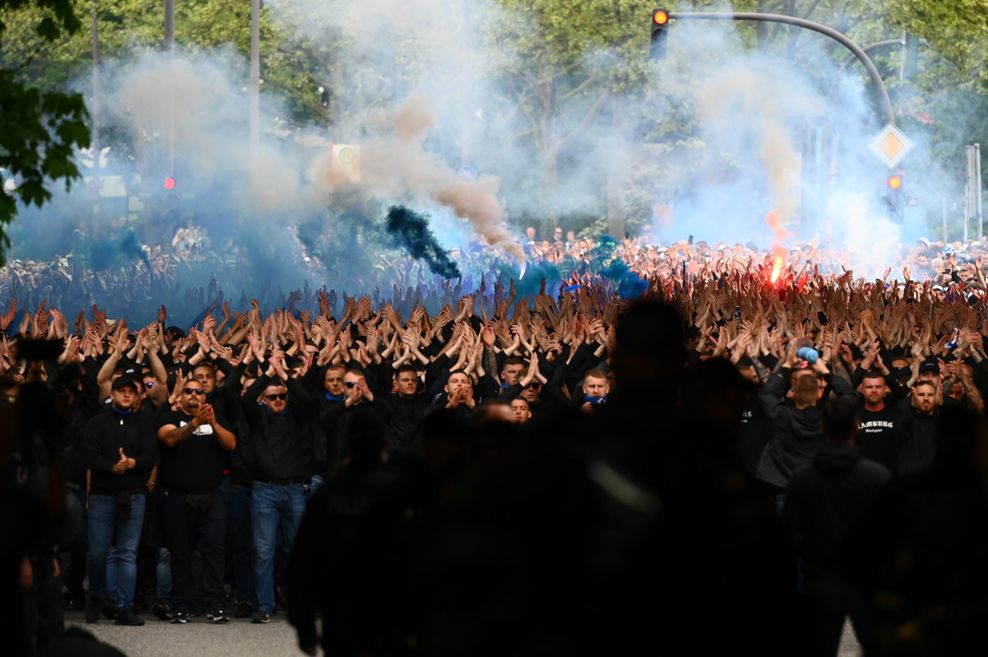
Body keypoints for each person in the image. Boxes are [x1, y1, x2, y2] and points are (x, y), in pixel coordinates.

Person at [782, 397, 890, 657]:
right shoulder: (877, 476)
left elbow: (789, 534)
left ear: (823, 428)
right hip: (866, 576)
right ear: (856, 426)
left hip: (820, 574)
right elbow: (890, 533)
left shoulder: (803, 477)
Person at [241, 353, 316, 623]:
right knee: (263, 552)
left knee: (297, 551)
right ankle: (265, 605)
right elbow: (246, 399)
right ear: (264, 399)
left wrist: (284, 376)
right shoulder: (256, 417)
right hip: (265, 491)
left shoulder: (296, 415)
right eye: (272, 397)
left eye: (282, 396)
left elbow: (307, 399)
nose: (277, 401)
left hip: (295, 489)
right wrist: (265, 375)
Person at [155, 378, 237, 624]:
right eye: (188, 391)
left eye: (198, 392)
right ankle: (181, 605)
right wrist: (194, 423)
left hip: (211, 497)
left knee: (214, 552)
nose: (193, 395)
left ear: (205, 396)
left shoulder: (215, 418)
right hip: (178, 498)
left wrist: (212, 423)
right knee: (180, 553)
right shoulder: (168, 418)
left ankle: (215, 604)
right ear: (180, 397)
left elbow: (231, 444)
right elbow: (169, 439)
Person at [82, 376, 156, 626]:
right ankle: (96, 597)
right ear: (112, 393)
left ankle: (125, 606)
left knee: (127, 553)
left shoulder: (144, 423)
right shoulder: (97, 422)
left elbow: (150, 455)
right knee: (98, 552)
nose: (126, 395)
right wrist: (113, 467)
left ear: (137, 397)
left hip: (134, 494)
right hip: (103, 494)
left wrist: (132, 463)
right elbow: (89, 455)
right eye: (121, 391)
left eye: (130, 392)